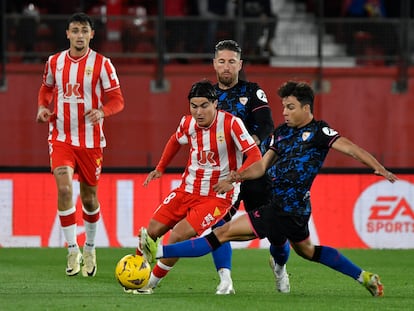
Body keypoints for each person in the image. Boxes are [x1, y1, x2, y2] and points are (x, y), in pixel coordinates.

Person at [140, 80, 398, 297]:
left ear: (306, 108)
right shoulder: (281, 133)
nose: (284, 112)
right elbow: (261, 168)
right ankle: (362, 276)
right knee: (307, 251)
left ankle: (159, 251)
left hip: (282, 208)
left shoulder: (320, 132)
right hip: (290, 208)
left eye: (290, 107)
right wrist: (238, 177)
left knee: (221, 234)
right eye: (284, 106)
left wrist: (378, 167)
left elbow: (352, 148)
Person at [132, 80, 262, 294]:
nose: (198, 112)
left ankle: (150, 283)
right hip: (187, 188)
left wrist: (233, 178)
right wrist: (161, 167)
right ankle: (135, 274)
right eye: (194, 106)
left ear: (215, 104)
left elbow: (255, 155)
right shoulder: (187, 123)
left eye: (204, 106)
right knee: (152, 230)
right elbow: (175, 140)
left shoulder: (231, 124)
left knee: (177, 236)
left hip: (217, 195)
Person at [36, 12, 125, 277]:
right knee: (64, 189)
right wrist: (43, 107)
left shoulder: (103, 64)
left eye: (84, 31)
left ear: (91, 34)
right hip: (61, 137)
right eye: (74, 30)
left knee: (89, 197)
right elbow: (46, 89)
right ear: (67, 34)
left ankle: (90, 246)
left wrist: (102, 112)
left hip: (91, 141)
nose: (79, 35)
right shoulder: (55, 62)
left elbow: (117, 99)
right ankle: (72, 248)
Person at [209, 39, 290, 295]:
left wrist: (250, 143)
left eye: (232, 61)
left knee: (276, 233)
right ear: (214, 64)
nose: (226, 66)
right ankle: (225, 280)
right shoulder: (207, 96)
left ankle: (280, 267)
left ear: (239, 64)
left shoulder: (253, 92)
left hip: (255, 173)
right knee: (218, 225)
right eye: (221, 61)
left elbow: (267, 125)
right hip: (226, 174)